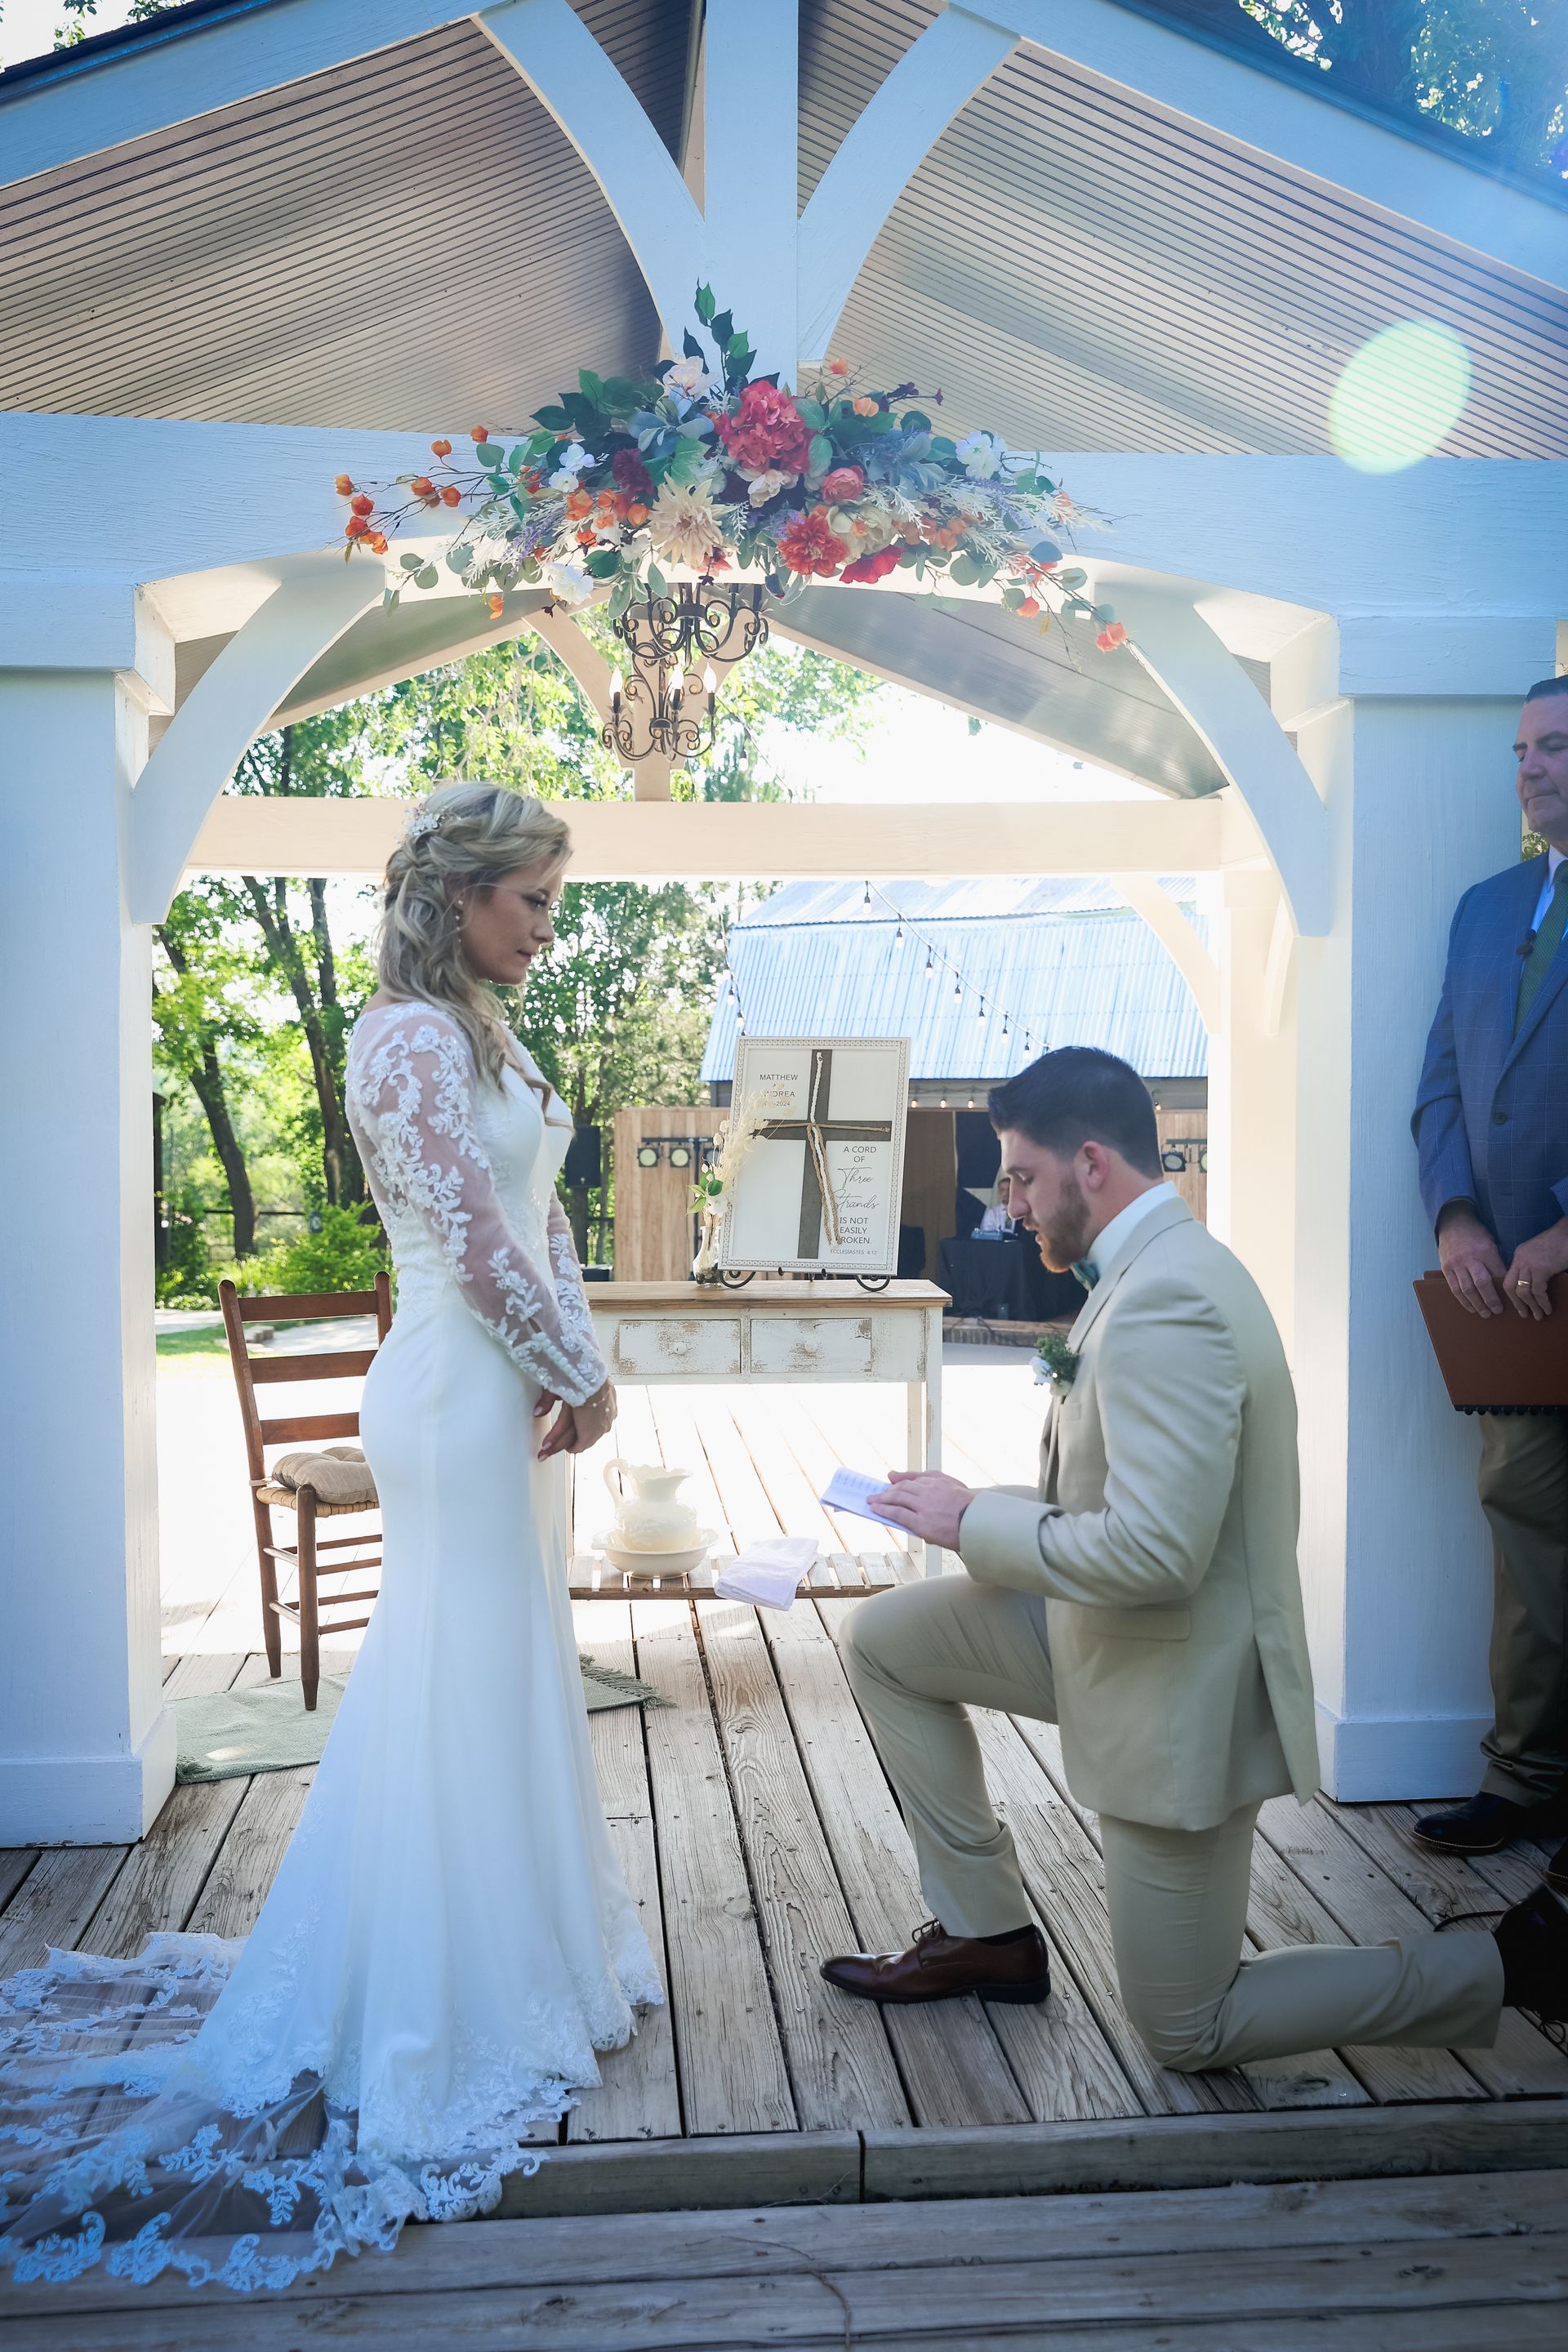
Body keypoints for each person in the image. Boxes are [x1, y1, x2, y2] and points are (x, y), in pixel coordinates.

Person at [0, 785, 662, 2293]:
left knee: (509, 1665)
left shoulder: (492, 1031)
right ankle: (429, 2008)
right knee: (447, 1667)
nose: (549, 931)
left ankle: (528, 1960)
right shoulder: (405, 1039)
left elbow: (545, 1222)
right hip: (447, 1386)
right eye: (534, 904)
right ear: (458, 898)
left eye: (555, 903)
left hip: (518, 1388)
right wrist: (572, 1369)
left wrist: (585, 1349)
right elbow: (475, 1237)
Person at [821, 1049, 1564, 2066]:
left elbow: (1159, 1557)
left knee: (1185, 2025)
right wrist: (964, 1504)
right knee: (885, 1638)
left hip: (1179, 1688)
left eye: (1022, 1177)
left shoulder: (1170, 1301)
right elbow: (1122, 1507)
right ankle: (986, 1935)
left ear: (1091, 1163)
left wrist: (971, 1526)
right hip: (1108, 1632)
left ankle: (1513, 1968)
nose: (1012, 1204)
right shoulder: (1145, 1270)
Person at [1411, 675, 1568, 1873]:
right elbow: (1443, 1090)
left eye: (1556, 747)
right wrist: (1460, 1221)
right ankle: (1525, 1779)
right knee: (1526, 1531)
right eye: (1523, 749)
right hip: (1507, 1302)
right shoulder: (1482, 910)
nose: (1532, 769)